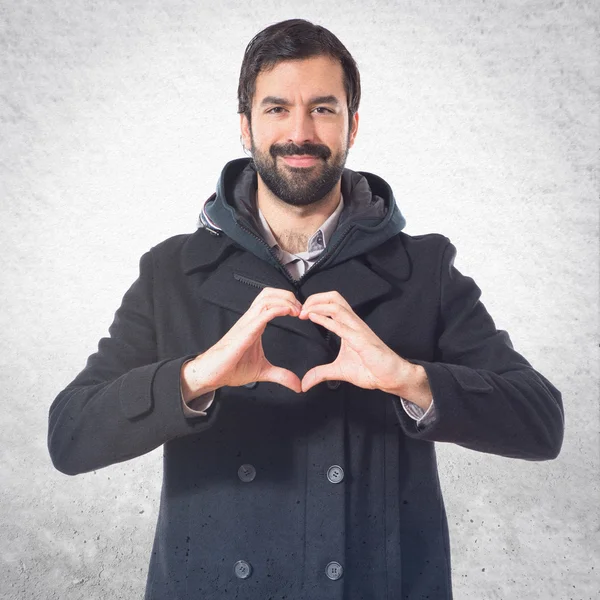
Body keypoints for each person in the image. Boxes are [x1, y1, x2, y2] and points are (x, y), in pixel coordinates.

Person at [48, 18, 564, 600]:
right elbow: (69, 436)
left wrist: (411, 381)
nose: (300, 132)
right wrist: (196, 379)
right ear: (244, 127)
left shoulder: (425, 271)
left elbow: (542, 422)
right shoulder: (172, 271)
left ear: (353, 125)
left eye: (323, 109)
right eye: (276, 110)